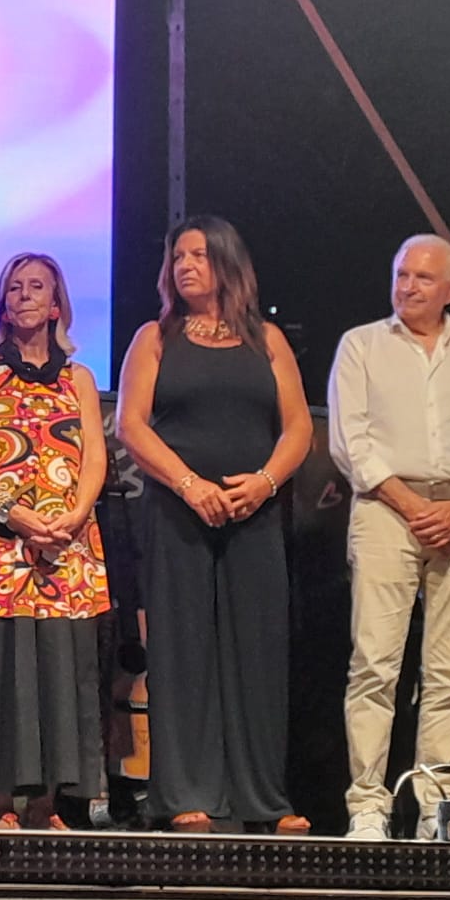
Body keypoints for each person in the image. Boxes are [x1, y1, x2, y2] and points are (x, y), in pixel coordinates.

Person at [117, 216, 311, 833]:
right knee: (182, 650)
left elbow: (299, 427)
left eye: (198, 255)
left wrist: (265, 483)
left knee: (258, 649)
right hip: (177, 511)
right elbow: (131, 424)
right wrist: (190, 485)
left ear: (227, 261)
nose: (185, 265)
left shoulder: (267, 339)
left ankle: (263, 800)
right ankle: (185, 794)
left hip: (254, 512)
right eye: (178, 256)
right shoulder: (155, 338)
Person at [328, 234, 450, 841]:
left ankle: (441, 812)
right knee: (375, 664)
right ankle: (368, 806)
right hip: (387, 510)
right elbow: (351, 442)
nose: (407, 287)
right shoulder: (362, 345)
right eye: (401, 274)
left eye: (422, 278)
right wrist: (415, 507)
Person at [0, 253, 110, 830]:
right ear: (2, 304)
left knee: (60, 669)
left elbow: (96, 456)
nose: (23, 295)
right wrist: (15, 514)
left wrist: (74, 516)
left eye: (36, 286)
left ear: (56, 304)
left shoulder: (79, 378)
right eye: (14, 287)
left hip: (65, 542)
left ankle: (48, 805)